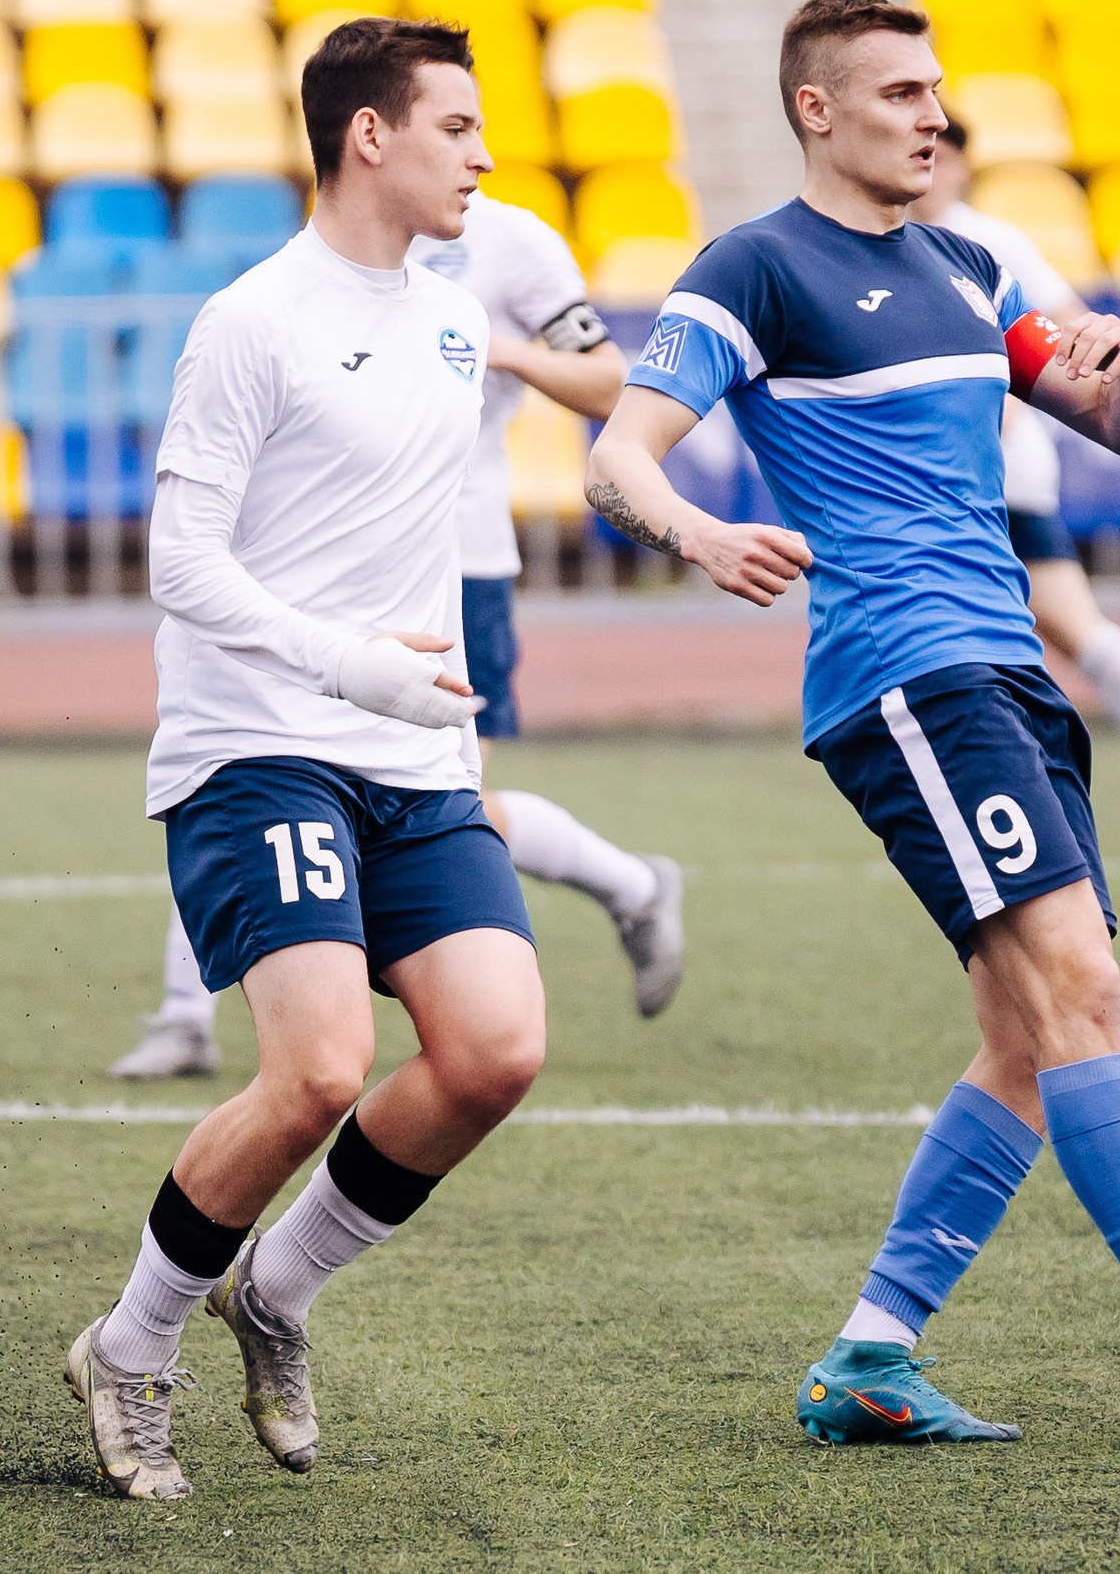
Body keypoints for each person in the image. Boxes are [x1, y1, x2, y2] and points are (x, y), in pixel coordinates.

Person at [583, 0, 1120, 1445]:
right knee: (1081, 988)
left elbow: (1113, 426)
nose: (932, 116)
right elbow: (620, 456)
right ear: (818, 109)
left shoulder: (966, 261)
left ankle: (870, 1354)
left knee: (1024, 1031)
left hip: (1007, 670)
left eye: (936, 93)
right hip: (909, 675)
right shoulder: (753, 267)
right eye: (899, 94)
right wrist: (699, 532)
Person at [67, 18, 549, 1500]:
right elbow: (179, 560)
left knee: (493, 1050)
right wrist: (336, 662)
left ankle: (271, 1292)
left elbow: (407, 557)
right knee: (321, 1065)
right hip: (260, 740)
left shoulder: (460, 321)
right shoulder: (253, 318)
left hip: (409, 756)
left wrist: (447, 741)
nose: (481, 154)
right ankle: (130, 1344)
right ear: (369, 137)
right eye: (457, 127)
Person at [108, 192, 688, 1080]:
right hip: (330, 572)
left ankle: (631, 885)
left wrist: (493, 348)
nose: (475, 152)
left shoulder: (509, 243)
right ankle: (189, 1012)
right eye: (454, 125)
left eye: (473, 123)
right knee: (262, 759)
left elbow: (611, 382)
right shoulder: (324, 255)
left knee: (450, 803)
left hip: (462, 562)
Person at [909, 118, 1120, 849]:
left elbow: (1067, 332)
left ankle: (1022, 810)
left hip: (992, 473)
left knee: (980, 642)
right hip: (979, 474)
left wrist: (1001, 405)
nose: (931, 164)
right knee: (1071, 630)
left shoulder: (987, 241)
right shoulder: (901, 237)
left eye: (944, 153)